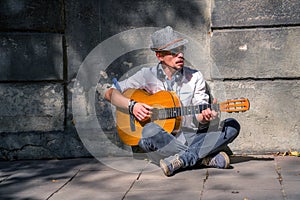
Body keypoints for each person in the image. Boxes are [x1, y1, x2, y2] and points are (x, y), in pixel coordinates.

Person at [104, 26, 240, 176]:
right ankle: (202, 158)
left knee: (232, 126)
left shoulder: (195, 77)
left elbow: (199, 114)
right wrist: (132, 106)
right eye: (174, 52)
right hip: (163, 139)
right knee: (149, 132)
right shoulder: (145, 75)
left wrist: (205, 117)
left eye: (182, 50)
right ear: (159, 55)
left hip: (191, 136)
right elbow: (109, 93)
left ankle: (182, 160)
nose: (180, 55)